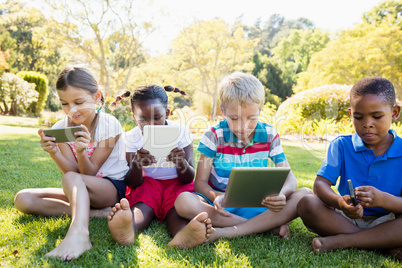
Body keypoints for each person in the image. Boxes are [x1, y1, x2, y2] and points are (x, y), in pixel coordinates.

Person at [173, 72, 312, 244]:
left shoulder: (269, 134)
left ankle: (229, 231)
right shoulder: (214, 135)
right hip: (222, 207)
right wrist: (217, 196)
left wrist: (282, 195)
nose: (243, 126)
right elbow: (200, 183)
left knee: (305, 194)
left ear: (260, 110)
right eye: (234, 118)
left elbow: (290, 178)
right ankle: (266, 226)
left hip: (258, 205)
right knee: (183, 201)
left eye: (251, 118)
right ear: (223, 110)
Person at [14, 64, 129, 261]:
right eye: (64, 103)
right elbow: (71, 171)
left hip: (109, 189)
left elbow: (88, 174)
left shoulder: (109, 125)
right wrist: (54, 152)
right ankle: (97, 214)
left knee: (72, 178)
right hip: (79, 188)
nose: (71, 110)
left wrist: (82, 152)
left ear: (97, 96)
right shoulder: (61, 128)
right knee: (23, 199)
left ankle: (80, 233)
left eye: (78, 102)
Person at [297, 76, 402, 260]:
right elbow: (320, 184)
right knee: (307, 203)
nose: (367, 124)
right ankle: (383, 245)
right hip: (345, 219)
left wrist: (383, 199)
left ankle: (342, 242)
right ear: (350, 114)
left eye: (377, 117)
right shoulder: (341, 145)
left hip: (388, 221)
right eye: (359, 117)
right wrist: (339, 202)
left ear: (394, 113)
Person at [107, 85, 212, 249]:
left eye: (157, 118)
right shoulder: (131, 138)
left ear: (167, 113)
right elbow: (132, 183)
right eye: (143, 119)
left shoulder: (180, 131)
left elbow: (189, 177)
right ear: (134, 118)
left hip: (177, 184)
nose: (150, 125)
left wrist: (181, 163)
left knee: (176, 210)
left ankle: (183, 234)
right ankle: (128, 228)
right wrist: (136, 164)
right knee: (143, 206)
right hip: (147, 184)